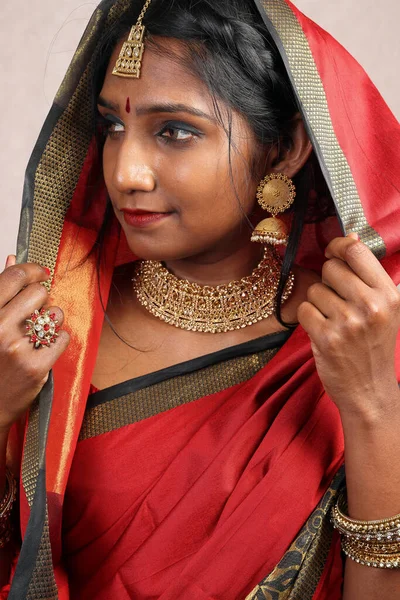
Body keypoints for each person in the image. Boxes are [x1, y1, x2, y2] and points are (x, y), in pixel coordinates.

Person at [1, 0, 400, 598]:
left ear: (286, 148)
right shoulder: (47, 323)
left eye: (175, 131)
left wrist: (371, 409)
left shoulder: (357, 342)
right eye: (112, 126)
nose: (127, 171)